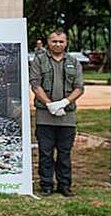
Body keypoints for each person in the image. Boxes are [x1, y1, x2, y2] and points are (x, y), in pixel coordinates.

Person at [29, 29, 84, 196]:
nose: (57, 44)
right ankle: (46, 185)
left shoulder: (74, 62)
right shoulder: (39, 61)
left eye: (61, 41)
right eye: (54, 41)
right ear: (48, 42)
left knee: (64, 154)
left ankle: (64, 185)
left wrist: (65, 102)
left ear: (66, 43)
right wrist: (50, 105)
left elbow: (79, 88)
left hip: (67, 118)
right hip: (45, 117)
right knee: (45, 153)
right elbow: (35, 85)